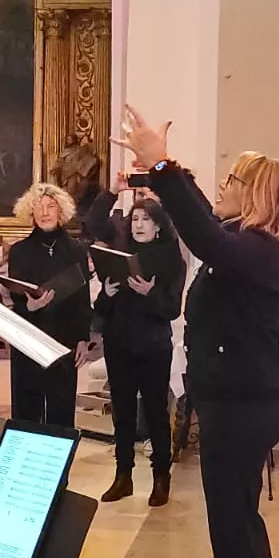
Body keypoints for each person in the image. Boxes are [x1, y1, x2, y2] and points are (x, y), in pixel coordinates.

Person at [114, 105, 279, 558]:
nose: (218, 189)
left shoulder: (254, 248)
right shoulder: (248, 246)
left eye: (229, 183)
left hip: (240, 408)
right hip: (238, 402)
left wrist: (165, 168)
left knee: (233, 538)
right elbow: (201, 220)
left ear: (253, 196)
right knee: (243, 532)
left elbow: (204, 234)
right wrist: (162, 171)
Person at [86, 174, 186, 506]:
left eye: (146, 220)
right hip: (119, 342)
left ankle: (161, 479)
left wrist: (151, 293)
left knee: (156, 413)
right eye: (136, 219)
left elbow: (172, 309)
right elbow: (92, 222)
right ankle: (123, 476)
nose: (139, 224)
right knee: (123, 413)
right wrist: (108, 294)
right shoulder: (120, 250)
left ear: (159, 226)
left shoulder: (171, 256)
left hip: (154, 345)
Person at [7, 183, 93, 428]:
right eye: (39, 207)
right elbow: (17, 296)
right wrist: (31, 307)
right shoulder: (19, 251)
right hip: (28, 337)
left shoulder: (76, 250)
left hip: (63, 338)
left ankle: (58, 463)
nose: (45, 213)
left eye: (51, 207)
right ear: (30, 213)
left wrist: (83, 339)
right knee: (27, 410)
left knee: (61, 410)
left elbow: (82, 298)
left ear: (61, 211)